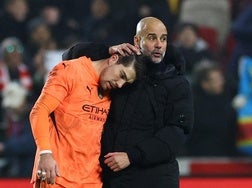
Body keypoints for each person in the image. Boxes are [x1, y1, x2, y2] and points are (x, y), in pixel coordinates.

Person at [64, 17, 194, 188]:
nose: (159, 45)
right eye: (152, 37)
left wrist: (132, 156)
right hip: (113, 177)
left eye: (163, 39)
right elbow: (69, 57)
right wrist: (107, 50)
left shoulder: (177, 83)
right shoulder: (121, 71)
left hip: (156, 178)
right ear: (136, 40)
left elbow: (178, 131)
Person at [29, 52, 147, 188]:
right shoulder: (71, 71)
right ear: (113, 59)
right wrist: (45, 153)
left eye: (125, 82)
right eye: (122, 75)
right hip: (57, 177)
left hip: (92, 180)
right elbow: (39, 111)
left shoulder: (112, 91)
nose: (120, 84)